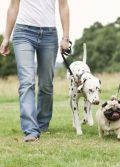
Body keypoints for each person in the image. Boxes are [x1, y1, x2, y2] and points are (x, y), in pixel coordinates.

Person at [0, 0, 70, 142]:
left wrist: (65, 37)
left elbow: (64, 6)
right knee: (27, 81)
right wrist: (6, 37)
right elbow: (13, 6)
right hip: (23, 32)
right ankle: (30, 130)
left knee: (46, 84)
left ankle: (42, 124)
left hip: (49, 34)